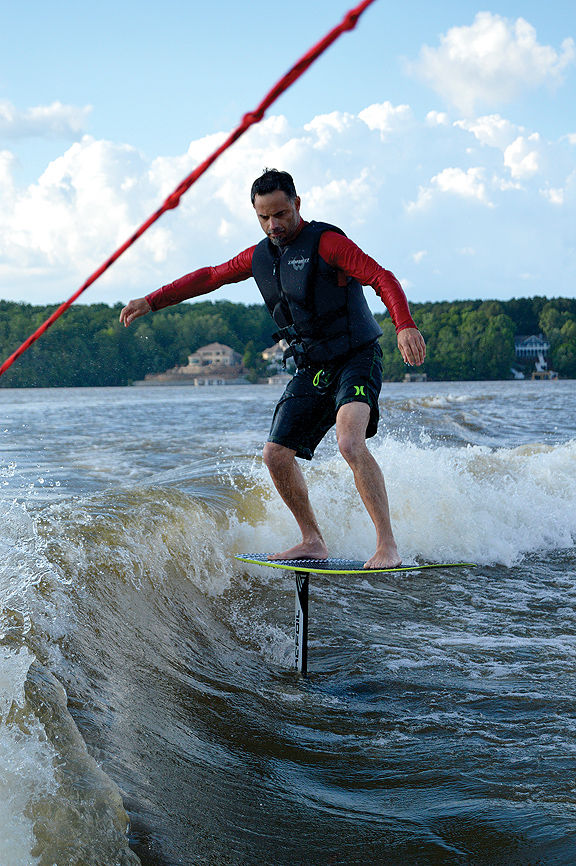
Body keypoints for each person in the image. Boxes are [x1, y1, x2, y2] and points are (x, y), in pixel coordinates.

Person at [120, 169, 426, 568]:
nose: (273, 225)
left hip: (356, 357)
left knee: (350, 443)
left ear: (297, 205)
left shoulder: (328, 243)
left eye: (280, 214)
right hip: (311, 366)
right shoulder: (259, 255)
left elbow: (380, 277)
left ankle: (387, 546)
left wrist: (404, 324)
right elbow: (210, 277)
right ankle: (312, 540)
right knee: (275, 455)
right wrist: (153, 300)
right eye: (264, 218)